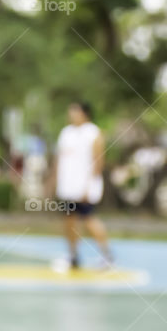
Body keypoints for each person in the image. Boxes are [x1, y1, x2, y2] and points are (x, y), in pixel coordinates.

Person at [53, 100, 113, 270]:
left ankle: (107, 256)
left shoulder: (93, 133)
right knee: (69, 221)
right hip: (68, 188)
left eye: (75, 111)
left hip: (84, 188)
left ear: (85, 113)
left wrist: (89, 186)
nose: (71, 114)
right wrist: (53, 182)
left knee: (89, 219)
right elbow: (59, 159)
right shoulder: (66, 133)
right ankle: (73, 257)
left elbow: (99, 161)